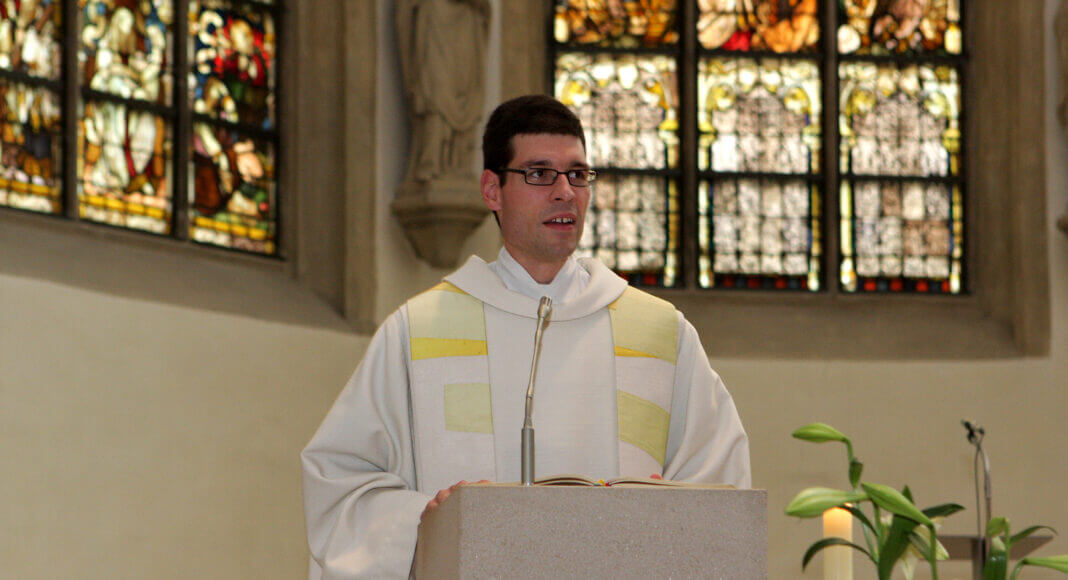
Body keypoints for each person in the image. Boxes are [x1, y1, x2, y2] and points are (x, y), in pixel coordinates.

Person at [301, 94, 751, 579]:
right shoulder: (416, 332)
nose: (565, 192)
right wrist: (425, 516)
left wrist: (665, 512)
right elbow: (342, 482)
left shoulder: (662, 333)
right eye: (539, 174)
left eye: (578, 175)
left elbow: (720, 487)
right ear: (492, 190)